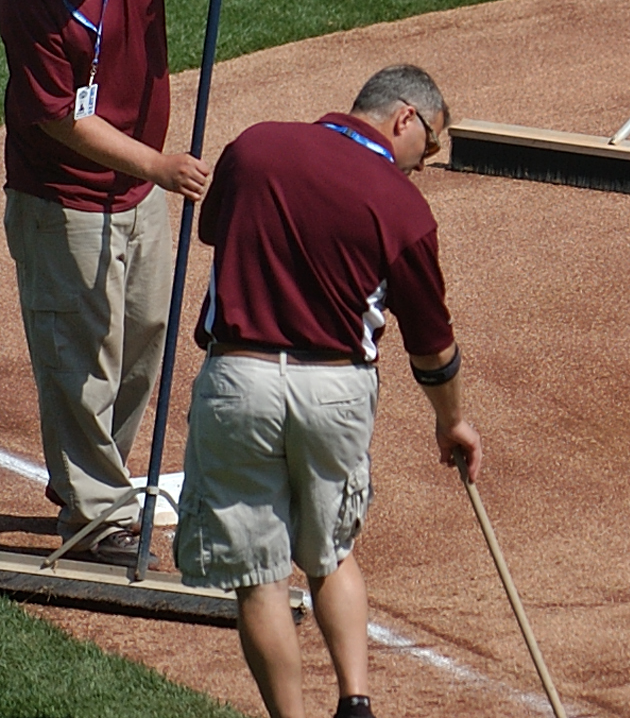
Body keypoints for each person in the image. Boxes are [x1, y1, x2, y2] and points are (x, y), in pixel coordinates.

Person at [175, 64, 481, 718]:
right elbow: (432, 343)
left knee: (258, 575)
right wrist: (451, 421)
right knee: (332, 551)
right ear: (404, 118)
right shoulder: (402, 207)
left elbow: (216, 230)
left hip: (240, 381)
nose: (421, 167)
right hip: (336, 393)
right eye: (426, 149)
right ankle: (356, 702)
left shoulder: (255, 146)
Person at [1, 0, 252, 567]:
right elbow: (62, 122)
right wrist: (159, 166)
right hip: (61, 197)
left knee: (144, 334)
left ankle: (86, 481)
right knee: (83, 355)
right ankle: (95, 514)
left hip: (136, 191)